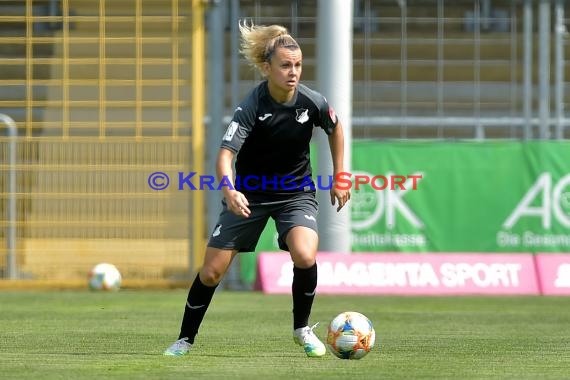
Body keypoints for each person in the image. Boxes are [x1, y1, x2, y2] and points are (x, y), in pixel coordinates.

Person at [163, 22, 350, 358]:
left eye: (297, 66)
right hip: (249, 195)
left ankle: (302, 330)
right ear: (267, 68)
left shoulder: (311, 101)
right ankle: (184, 339)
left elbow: (335, 129)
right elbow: (224, 157)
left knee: (305, 254)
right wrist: (231, 191)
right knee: (211, 271)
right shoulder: (252, 106)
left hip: (295, 194)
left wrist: (340, 174)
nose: (293, 73)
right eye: (285, 66)